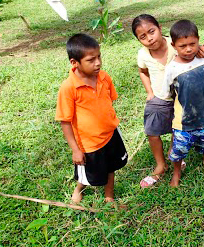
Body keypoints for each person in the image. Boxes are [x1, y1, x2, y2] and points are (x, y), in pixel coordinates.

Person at [55, 33, 128, 203]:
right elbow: (65, 121)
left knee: (112, 166)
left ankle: (109, 196)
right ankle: (79, 187)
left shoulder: (103, 77)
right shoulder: (69, 88)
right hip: (88, 143)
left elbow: (109, 100)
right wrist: (75, 149)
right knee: (89, 173)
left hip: (110, 134)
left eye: (99, 57)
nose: (98, 63)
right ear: (74, 62)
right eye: (91, 60)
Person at [162, 20, 204, 187]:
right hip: (183, 122)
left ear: (198, 41)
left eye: (192, 44)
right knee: (178, 150)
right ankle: (176, 173)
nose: (188, 49)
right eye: (183, 46)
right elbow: (167, 93)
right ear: (173, 45)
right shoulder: (172, 68)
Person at [133, 14, 179, 188]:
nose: (149, 38)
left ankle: (174, 154)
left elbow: (191, 51)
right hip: (159, 97)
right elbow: (142, 71)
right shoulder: (143, 54)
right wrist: (149, 92)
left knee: (178, 127)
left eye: (151, 31)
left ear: (159, 28)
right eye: (142, 37)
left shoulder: (175, 43)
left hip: (181, 96)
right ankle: (160, 165)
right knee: (152, 131)